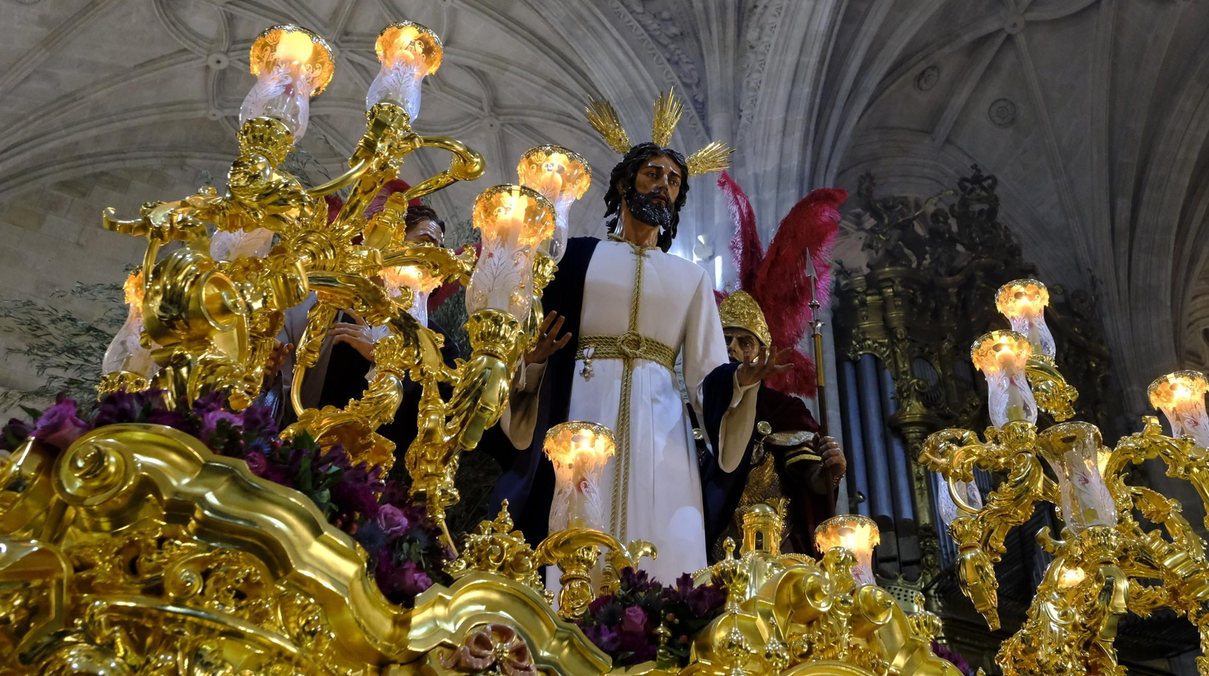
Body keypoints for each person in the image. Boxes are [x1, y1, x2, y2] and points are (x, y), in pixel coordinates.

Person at [489, 95, 781, 579]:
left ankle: (655, 630)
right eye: (653, 174)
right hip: (584, 403)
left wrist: (741, 384)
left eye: (674, 180)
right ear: (625, 184)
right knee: (576, 522)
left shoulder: (689, 279)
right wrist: (534, 362)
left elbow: (707, 374)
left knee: (665, 537)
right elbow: (534, 331)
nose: (664, 186)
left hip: (661, 421)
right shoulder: (576, 258)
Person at [281, 182, 453, 472]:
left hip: (379, 476)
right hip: (301, 458)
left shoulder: (441, 344)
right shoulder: (330, 304)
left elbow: (438, 423)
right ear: (390, 243)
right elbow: (285, 374)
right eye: (423, 241)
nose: (431, 257)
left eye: (438, 250)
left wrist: (385, 359)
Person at [705, 291, 846, 557]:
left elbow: (811, 480)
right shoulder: (691, 409)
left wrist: (831, 470)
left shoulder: (784, 410)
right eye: (724, 340)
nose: (732, 348)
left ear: (763, 353)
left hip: (774, 553)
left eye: (744, 342)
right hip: (703, 552)